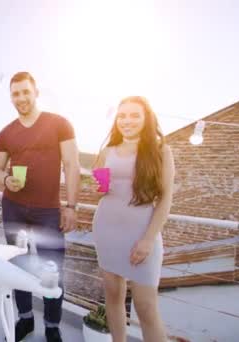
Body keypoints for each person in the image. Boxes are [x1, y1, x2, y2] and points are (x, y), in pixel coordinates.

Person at [0, 71, 80, 342]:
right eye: (16, 93)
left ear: (36, 92)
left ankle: (52, 326)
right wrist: (6, 179)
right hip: (14, 207)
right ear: (11, 97)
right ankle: (26, 320)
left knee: (54, 269)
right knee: (18, 265)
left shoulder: (60, 124)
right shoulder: (5, 133)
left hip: (49, 210)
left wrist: (71, 206)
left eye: (25, 92)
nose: (21, 98)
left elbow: (72, 165)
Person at [92, 96, 174, 342]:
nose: (127, 121)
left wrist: (148, 240)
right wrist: (99, 185)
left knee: (146, 306)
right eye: (122, 116)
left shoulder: (161, 150)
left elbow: (166, 198)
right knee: (113, 294)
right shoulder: (106, 150)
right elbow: (101, 187)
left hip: (142, 234)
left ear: (146, 118)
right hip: (106, 229)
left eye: (134, 115)